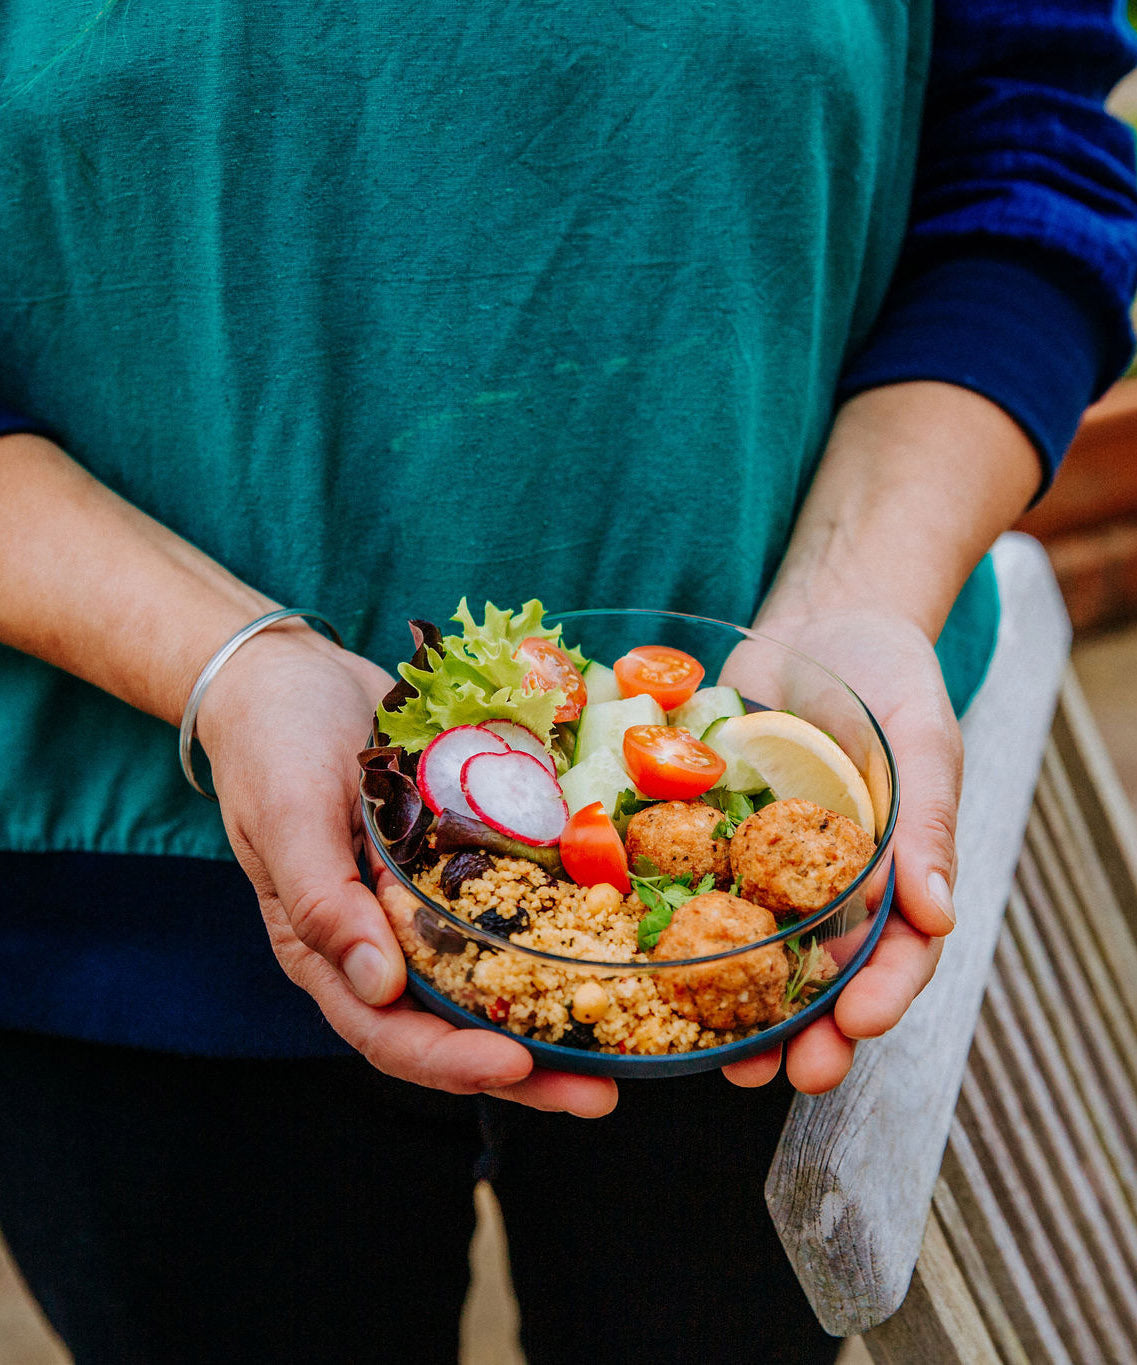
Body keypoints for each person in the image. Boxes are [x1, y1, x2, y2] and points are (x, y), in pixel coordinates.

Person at [1, 2, 1135, 1361]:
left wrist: (861, 589)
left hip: (773, 920)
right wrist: (229, 664)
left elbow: (1025, 146)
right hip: (127, 923)